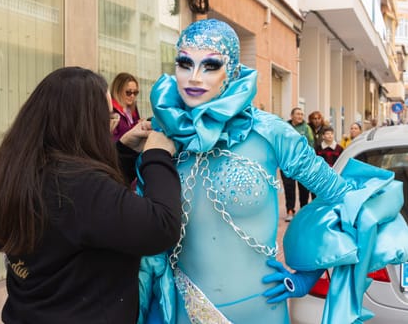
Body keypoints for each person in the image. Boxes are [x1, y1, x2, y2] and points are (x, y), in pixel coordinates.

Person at [138, 19, 408, 324]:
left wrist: (305, 277)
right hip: (179, 312)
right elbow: (137, 221)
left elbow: (347, 201)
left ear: (234, 71)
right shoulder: (164, 136)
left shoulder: (269, 132)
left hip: (259, 309)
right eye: (185, 63)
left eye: (210, 66)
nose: (194, 77)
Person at [0, 66, 182, 324]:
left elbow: (78, 217)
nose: (110, 125)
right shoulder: (79, 187)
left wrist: (123, 152)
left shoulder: (19, 171)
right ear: (86, 124)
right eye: (108, 118)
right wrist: (157, 156)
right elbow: (161, 226)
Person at [281, 107, 314, 221]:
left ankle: (303, 210)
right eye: (298, 114)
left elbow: (311, 144)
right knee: (289, 188)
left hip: (302, 163)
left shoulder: (307, 128)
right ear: (292, 116)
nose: (300, 116)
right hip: (287, 162)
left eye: (302, 114)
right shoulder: (284, 127)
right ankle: (290, 211)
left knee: (303, 188)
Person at [111, 72, 142, 141]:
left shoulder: (133, 108)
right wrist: (136, 127)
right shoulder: (111, 110)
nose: (132, 96)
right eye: (128, 92)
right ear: (118, 91)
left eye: (135, 92)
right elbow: (113, 138)